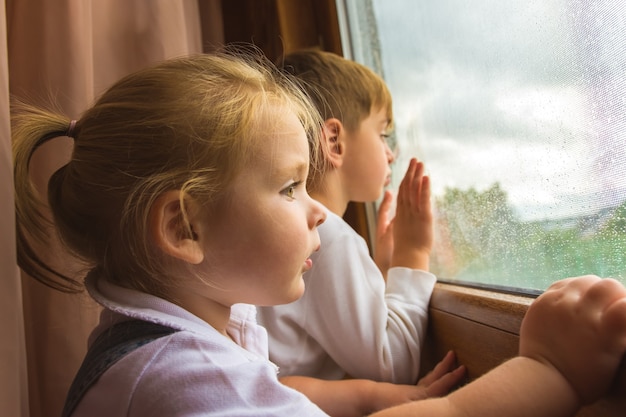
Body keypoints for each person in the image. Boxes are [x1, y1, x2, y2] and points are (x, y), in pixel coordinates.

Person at [12, 50, 626, 417]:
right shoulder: (183, 377)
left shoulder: (150, 339)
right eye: (287, 188)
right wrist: (550, 371)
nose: (316, 215)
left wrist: (365, 399)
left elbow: (271, 385)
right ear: (184, 226)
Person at [258, 48, 435, 384]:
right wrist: (413, 255)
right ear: (335, 142)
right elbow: (391, 367)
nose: (390, 154)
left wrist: (382, 269)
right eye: (382, 134)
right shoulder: (328, 236)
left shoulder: (300, 228)